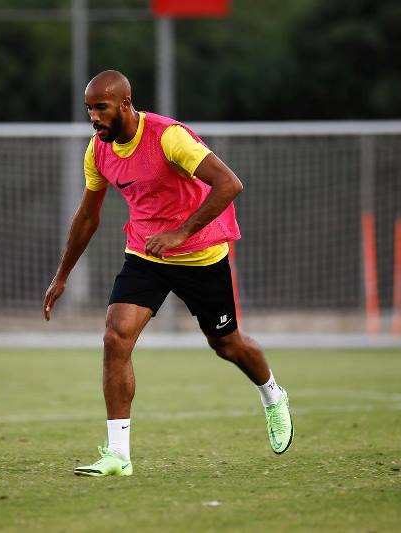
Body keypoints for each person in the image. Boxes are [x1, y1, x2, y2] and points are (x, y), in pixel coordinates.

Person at [43, 70, 293, 477]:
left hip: (200, 255)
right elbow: (88, 216)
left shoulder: (169, 137)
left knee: (227, 345)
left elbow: (230, 184)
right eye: (89, 109)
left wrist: (181, 233)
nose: (94, 117)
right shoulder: (97, 150)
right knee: (116, 336)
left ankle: (272, 395)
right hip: (146, 255)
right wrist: (61, 275)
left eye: (101, 108)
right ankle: (118, 455)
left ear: (125, 104)